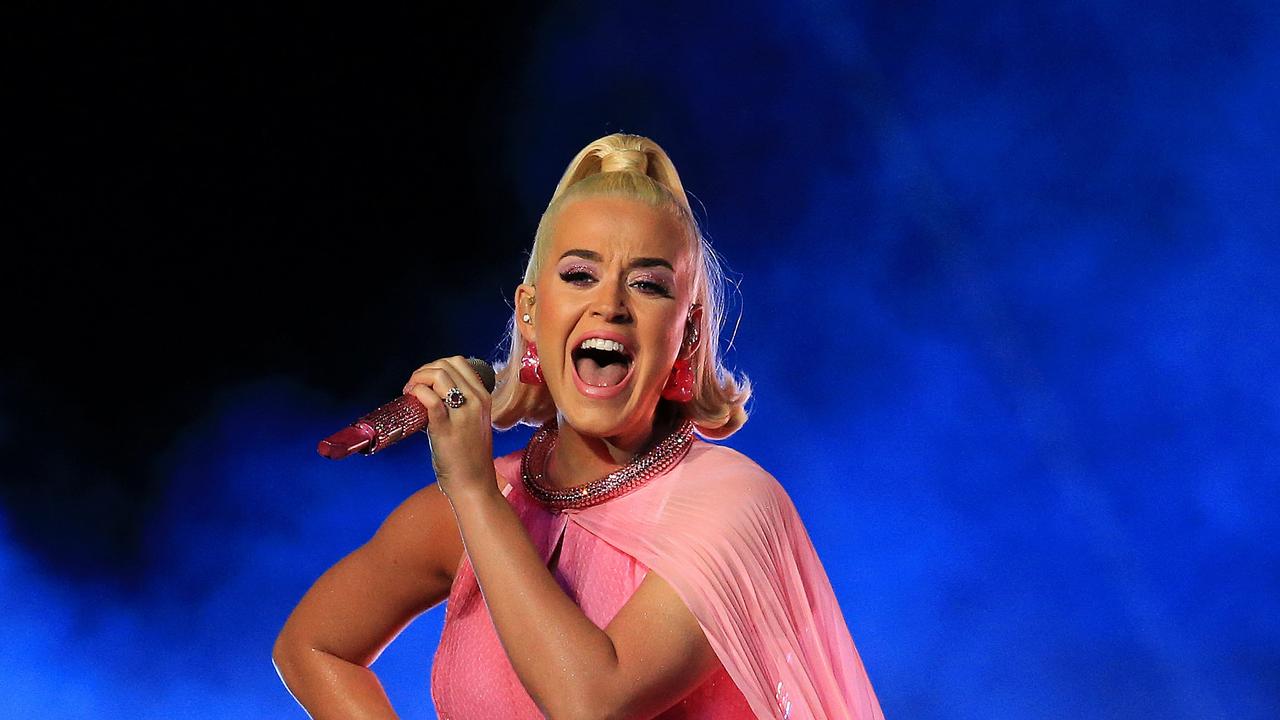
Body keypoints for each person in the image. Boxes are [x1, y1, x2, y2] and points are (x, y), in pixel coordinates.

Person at [272, 134, 886, 719]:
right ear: (531, 314)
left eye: (647, 284)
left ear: (688, 332)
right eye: (578, 275)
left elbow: (593, 702)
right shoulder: (477, 506)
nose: (611, 305)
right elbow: (314, 647)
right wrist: (477, 495)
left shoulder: (735, 507)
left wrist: (473, 492)